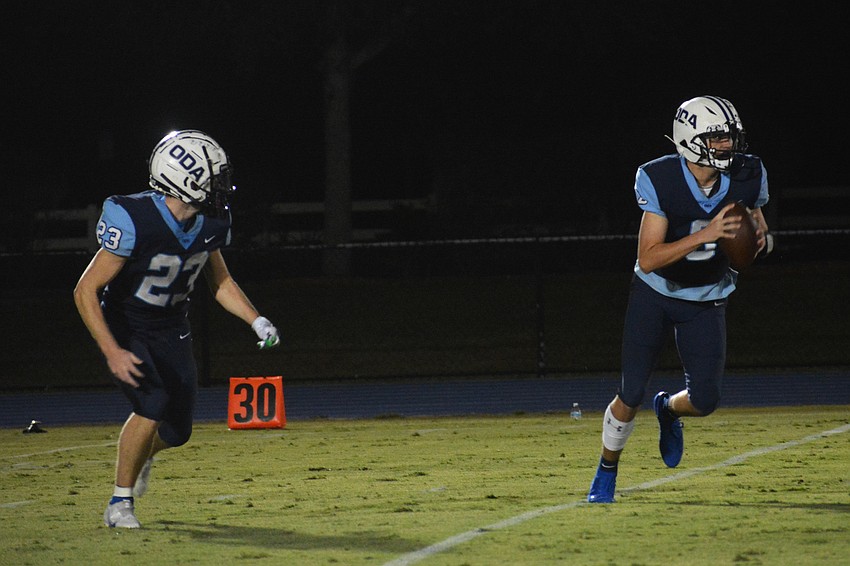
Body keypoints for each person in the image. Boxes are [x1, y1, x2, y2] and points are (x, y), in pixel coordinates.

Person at [74, 130, 281, 527]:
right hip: (127, 323)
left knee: (179, 430)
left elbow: (219, 281)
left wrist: (255, 318)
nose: (221, 186)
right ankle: (119, 504)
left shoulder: (212, 221)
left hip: (172, 326)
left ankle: (141, 458)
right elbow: (85, 289)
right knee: (151, 403)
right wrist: (111, 350)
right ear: (183, 179)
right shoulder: (134, 218)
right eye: (213, 178)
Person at [587, 96, 773, 503]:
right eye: (718, 137)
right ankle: (606, 469)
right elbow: (648, 259)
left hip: (708, 297)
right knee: (630, 390)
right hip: (656, 294)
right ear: (691, 139)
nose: (727, 145)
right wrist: (705, 236)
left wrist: (761, 240)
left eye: (729, 136)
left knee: (705, 401)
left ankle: (668, 409)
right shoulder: (660, 178)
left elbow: (757, 227)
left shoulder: (748, 172)